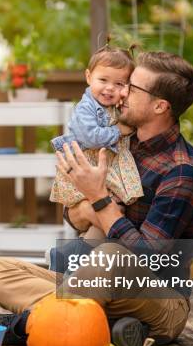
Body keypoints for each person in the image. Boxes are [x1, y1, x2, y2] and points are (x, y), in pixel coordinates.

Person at [0, 51, 193, 346]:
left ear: (160, 106)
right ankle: (110, 327)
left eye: (131, 88)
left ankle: (18, 327)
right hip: (94, 283)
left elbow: (146, 256)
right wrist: (85, 206)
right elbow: (75, 218)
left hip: (161, 301)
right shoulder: (116, 140)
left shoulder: (181, 170)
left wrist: (98, 198)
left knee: (109, 258)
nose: (120, 92)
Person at [47, 42, 143, 273]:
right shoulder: (85, 108)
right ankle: (72, 263)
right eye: (103, 80)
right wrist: (118, 131)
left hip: (107, 168)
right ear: (89, 77)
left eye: (119, 83)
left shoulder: (116, 105)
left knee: (109, 215)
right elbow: (90, 138)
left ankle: (70, 261)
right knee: (109, 212)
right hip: (89, 166)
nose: (110, 88)